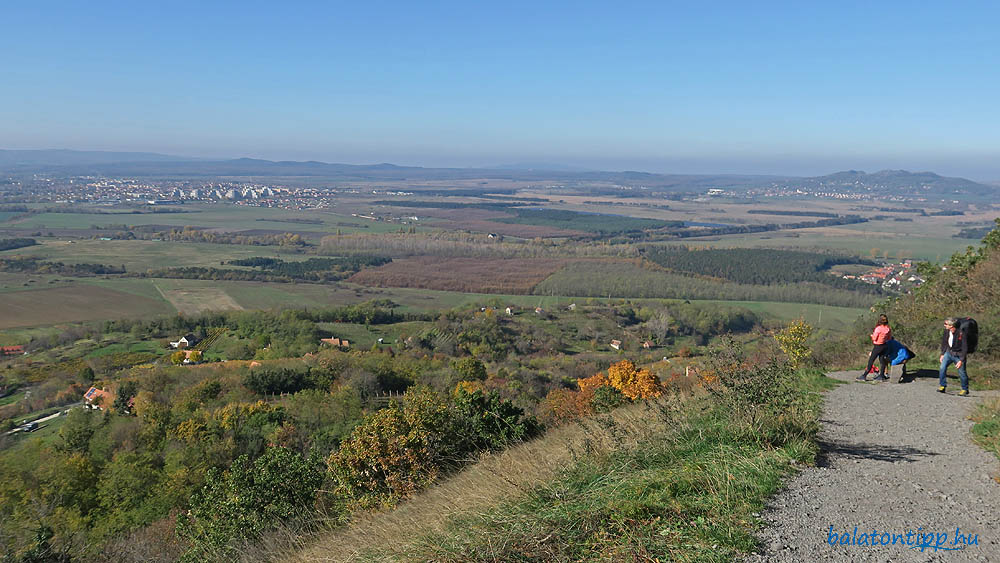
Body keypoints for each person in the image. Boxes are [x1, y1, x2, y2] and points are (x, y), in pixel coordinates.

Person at [939, 317, 970, 396]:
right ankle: (942, 385)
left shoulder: (961, 333)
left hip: (959, 355)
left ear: (951, 325)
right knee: (942, 368)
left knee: (962, 372)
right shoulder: (946, 331)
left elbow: (964, 347)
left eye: (946, 324)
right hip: (949, 353)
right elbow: (944, 342)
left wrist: (961, 360)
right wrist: (942, 354)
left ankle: (964, 389)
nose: (944, 325)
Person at [858, 314, 892, 381]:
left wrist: (871, 335)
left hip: (877, 346)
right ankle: (881, 376)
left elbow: (874, 338)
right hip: (884, 346)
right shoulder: (888, 329)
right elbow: (889, 338)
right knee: (882, 361)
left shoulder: (878, 329)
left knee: (871, 361)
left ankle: (864, 376)